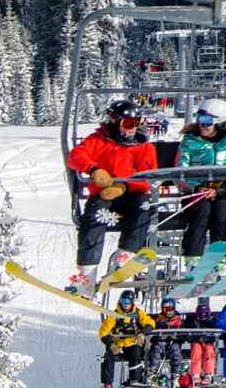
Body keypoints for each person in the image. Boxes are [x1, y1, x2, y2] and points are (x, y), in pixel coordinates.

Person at [67, 100, 159, 280]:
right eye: (128, 124)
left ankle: (125, 255)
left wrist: (124, 186)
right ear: (115, 122)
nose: (132, 128)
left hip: (132, 196)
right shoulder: (98, 140)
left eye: (136, 123)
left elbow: (149, 178)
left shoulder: (143, 146)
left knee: (144, 205)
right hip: (104, 196)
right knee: (95, 214)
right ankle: (87, 274)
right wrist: (94, 169)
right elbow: (75, 156)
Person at [176, 99, 226, 254]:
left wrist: (222, 187)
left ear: (219, 122)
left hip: (222, 193)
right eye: (199, 119)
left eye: (207, 121)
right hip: (195, 193)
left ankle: (219, 257)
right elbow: (179, 172)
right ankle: (192, 257)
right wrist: (196, 187)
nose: (201, 125)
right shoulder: (189, 141)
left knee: (221, 213)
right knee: (201, 210)